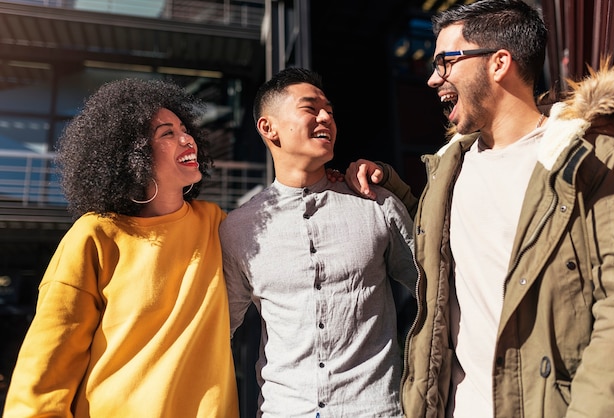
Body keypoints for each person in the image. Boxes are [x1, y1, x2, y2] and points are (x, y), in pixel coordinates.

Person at [342, 0, 614, 417]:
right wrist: (392, 186)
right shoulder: (449, 168)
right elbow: (450, 247)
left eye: (446, 62)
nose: (434, 79)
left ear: (499, 63)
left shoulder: (595, 161)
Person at [3, 78, 239, 417]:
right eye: (167, 133)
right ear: (133, 154)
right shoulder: (96, 235)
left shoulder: (217, 225)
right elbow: (47, 364)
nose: (187, 138)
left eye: (185, 129)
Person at [218, 67, 418, 417]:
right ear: (268, 128)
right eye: (310, 108)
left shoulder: (377, 203)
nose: (326, 116)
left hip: (374, 409)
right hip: (286, 410)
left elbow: (436, 289)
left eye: (329, 110)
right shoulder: (239, 229)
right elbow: (219, 331)